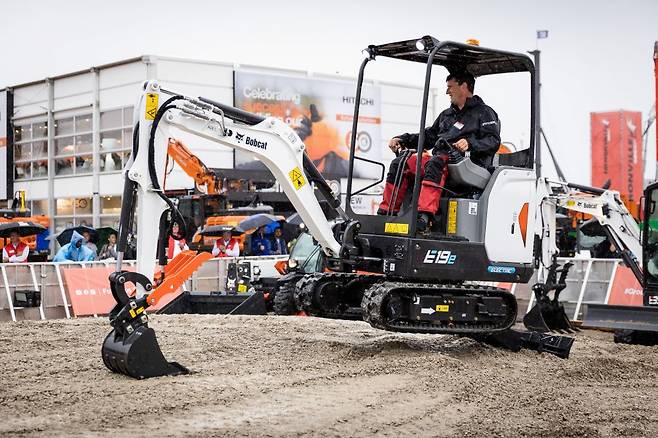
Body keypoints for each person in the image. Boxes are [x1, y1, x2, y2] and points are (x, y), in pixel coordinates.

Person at [377, 71, 501, 231]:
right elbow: (429, 136)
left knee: (436, 162)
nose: (447, 92)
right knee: (402, 162)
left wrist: (470, 143)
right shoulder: (447, 115)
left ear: (464, 87)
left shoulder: (484, 112)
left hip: (470, 164)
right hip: (442, 160)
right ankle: (386, 213)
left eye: (450, 87)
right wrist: (404, 139)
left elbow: (493, 141)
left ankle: (424, 216)